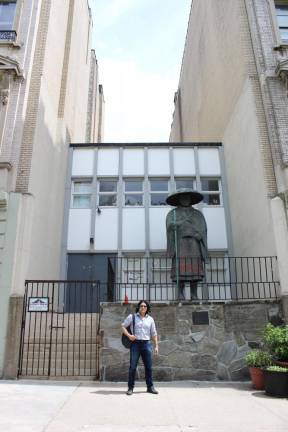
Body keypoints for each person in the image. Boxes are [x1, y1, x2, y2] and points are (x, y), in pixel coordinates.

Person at [166, 188, 208, 300]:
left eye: (187, 197)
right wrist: (173, 226)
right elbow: (169, 225)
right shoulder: (173, 214)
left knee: (194, 272)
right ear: (179, 199)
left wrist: (199, 234)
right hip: (180, 244)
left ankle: (194, 294)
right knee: (180, 271)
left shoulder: (197, 214)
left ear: (190, 199)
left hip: (194, 244)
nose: (185, 199)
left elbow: (203, 228)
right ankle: (180, 294)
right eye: (183, 197)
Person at [121, 300, 159, 395]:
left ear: (147, 308)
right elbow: (123, 326)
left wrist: (156, 346)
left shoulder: (150, 319)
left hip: (147, 344)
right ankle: (130, 388)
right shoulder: (132, 317)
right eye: (141, 306)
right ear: (138, 307)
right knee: (133, 367)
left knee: (148, 367)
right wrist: (129, 336)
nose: (143, 307)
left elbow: (154, 334)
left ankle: (150, 387)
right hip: (135, 344)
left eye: (145, 306)